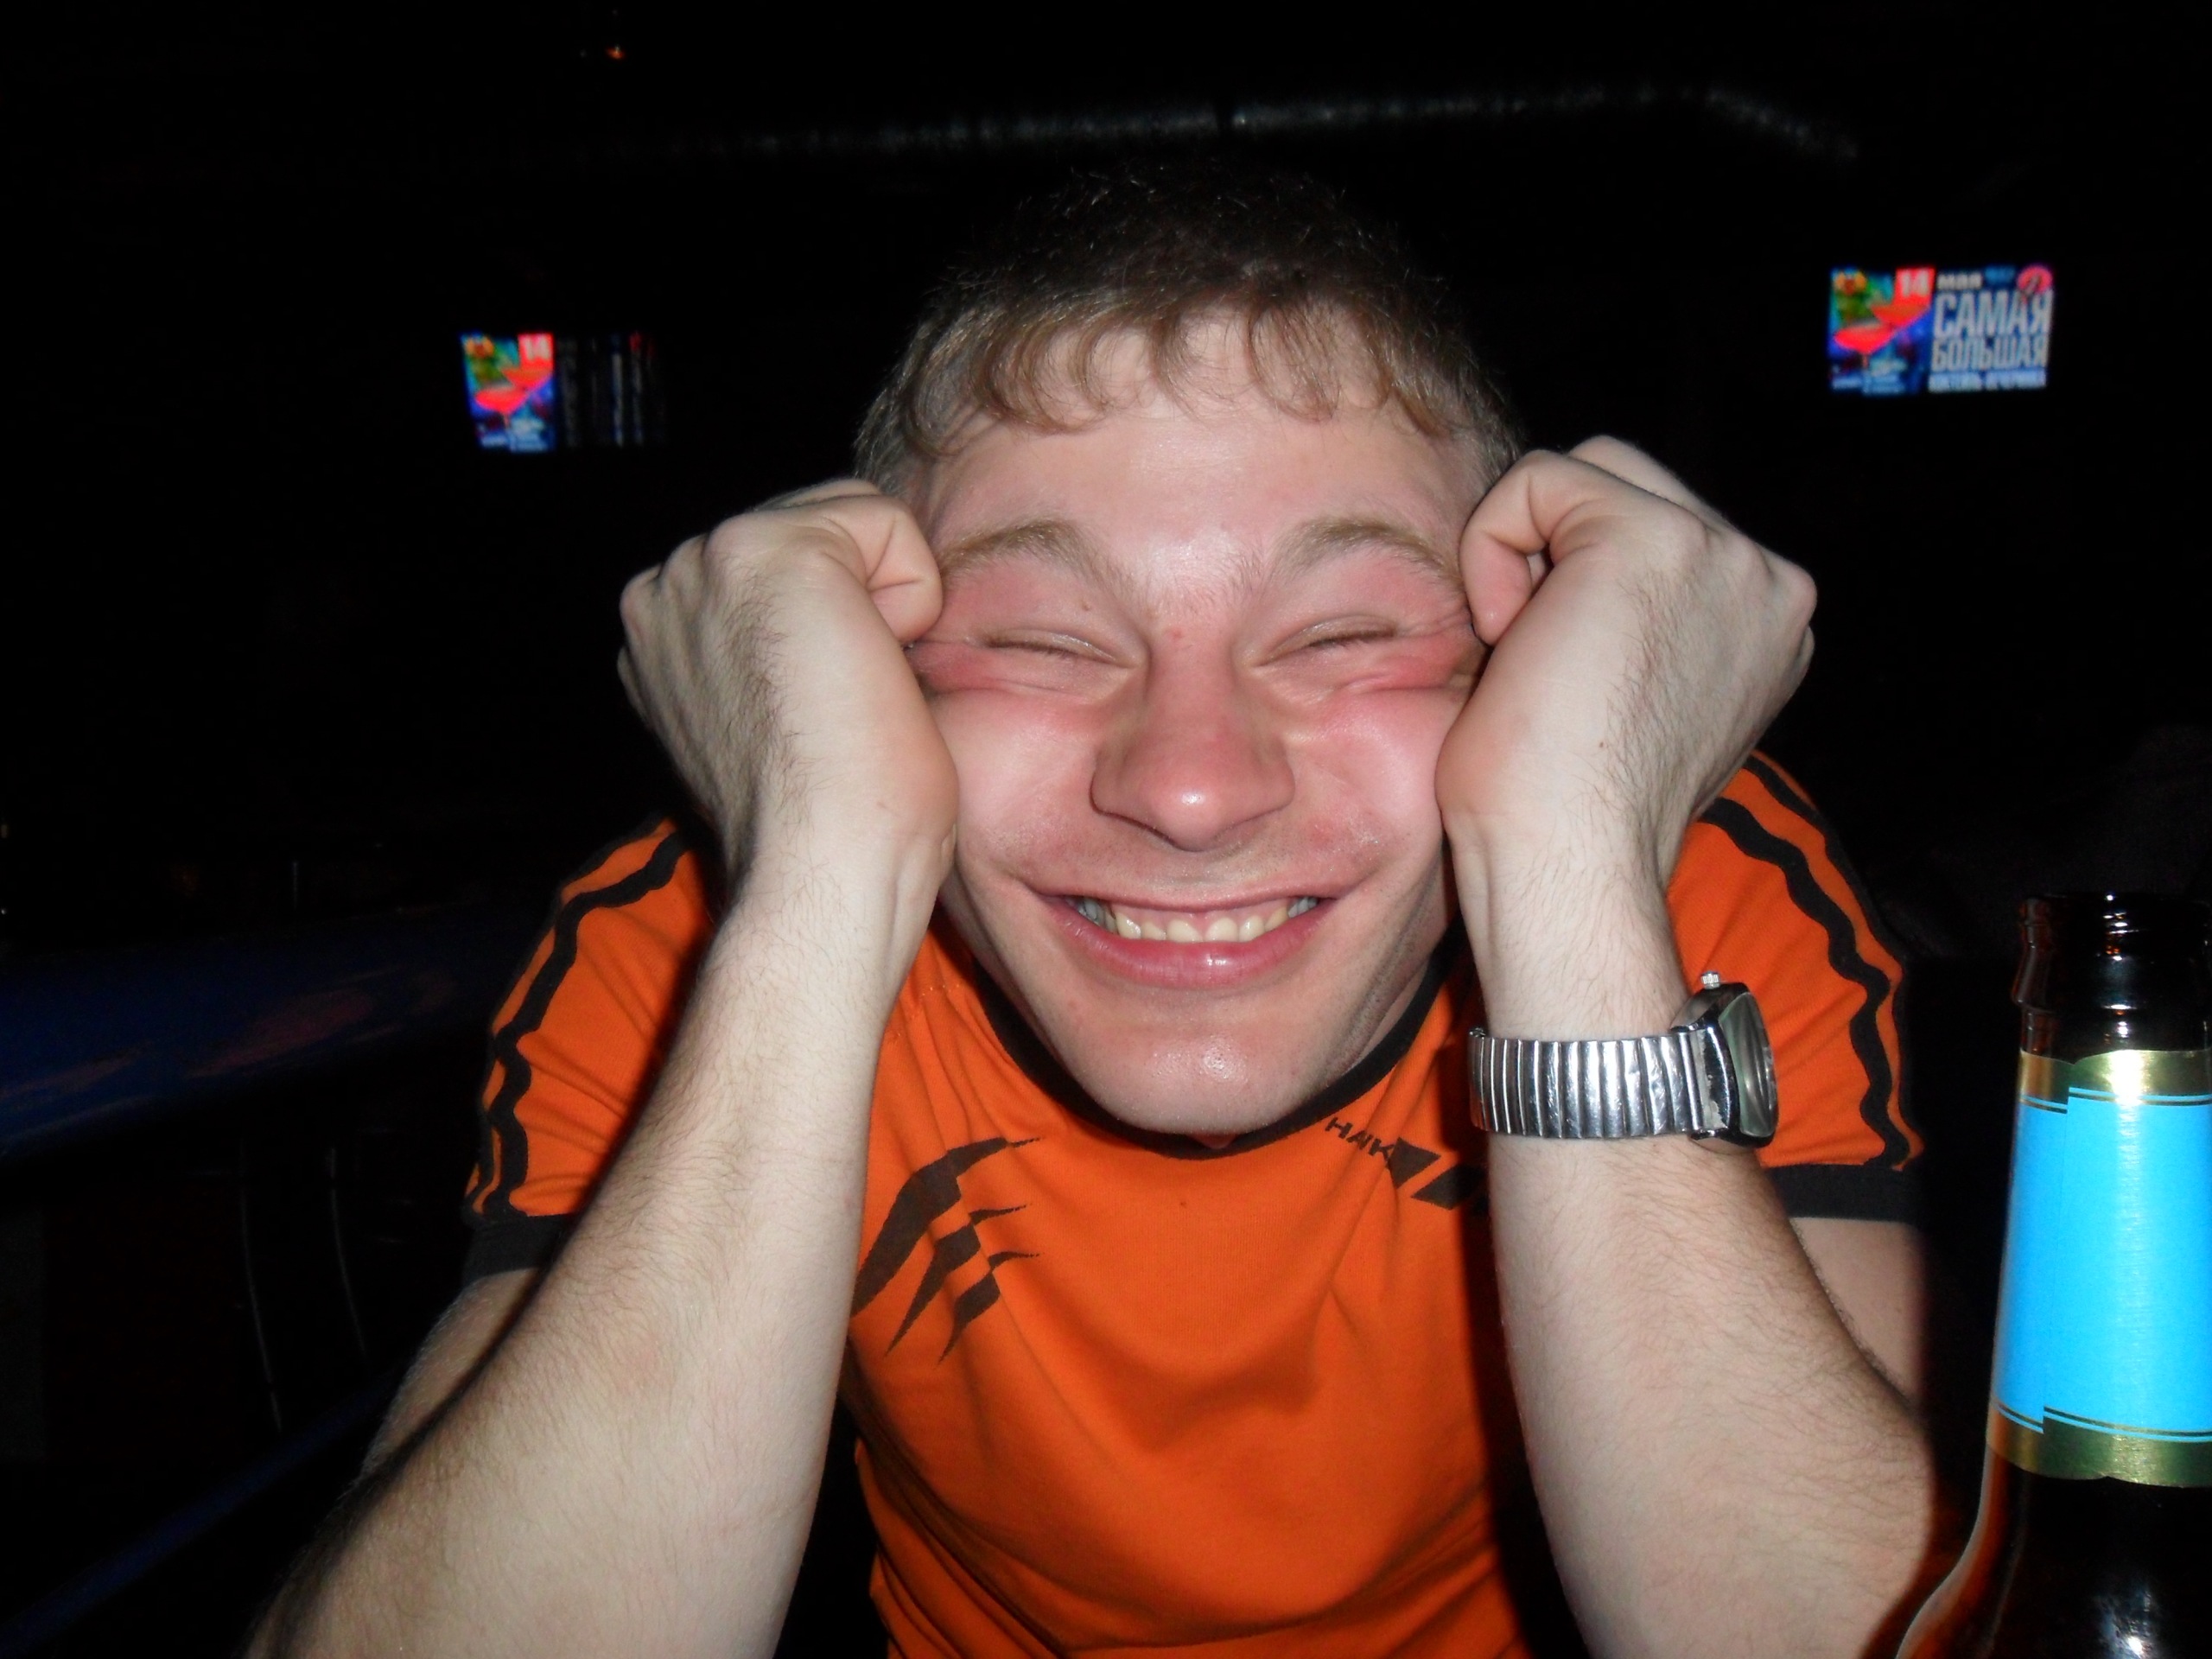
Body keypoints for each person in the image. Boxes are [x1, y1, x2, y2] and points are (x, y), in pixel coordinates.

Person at [254, 165, 1935, 1657]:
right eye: (1040, 642)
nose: (1189, 788)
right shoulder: (696, 927)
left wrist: (1567, 870)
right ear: (880, 670)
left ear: (1516, 655)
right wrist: (818, 886)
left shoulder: (1683, 877)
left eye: (1345, 635)